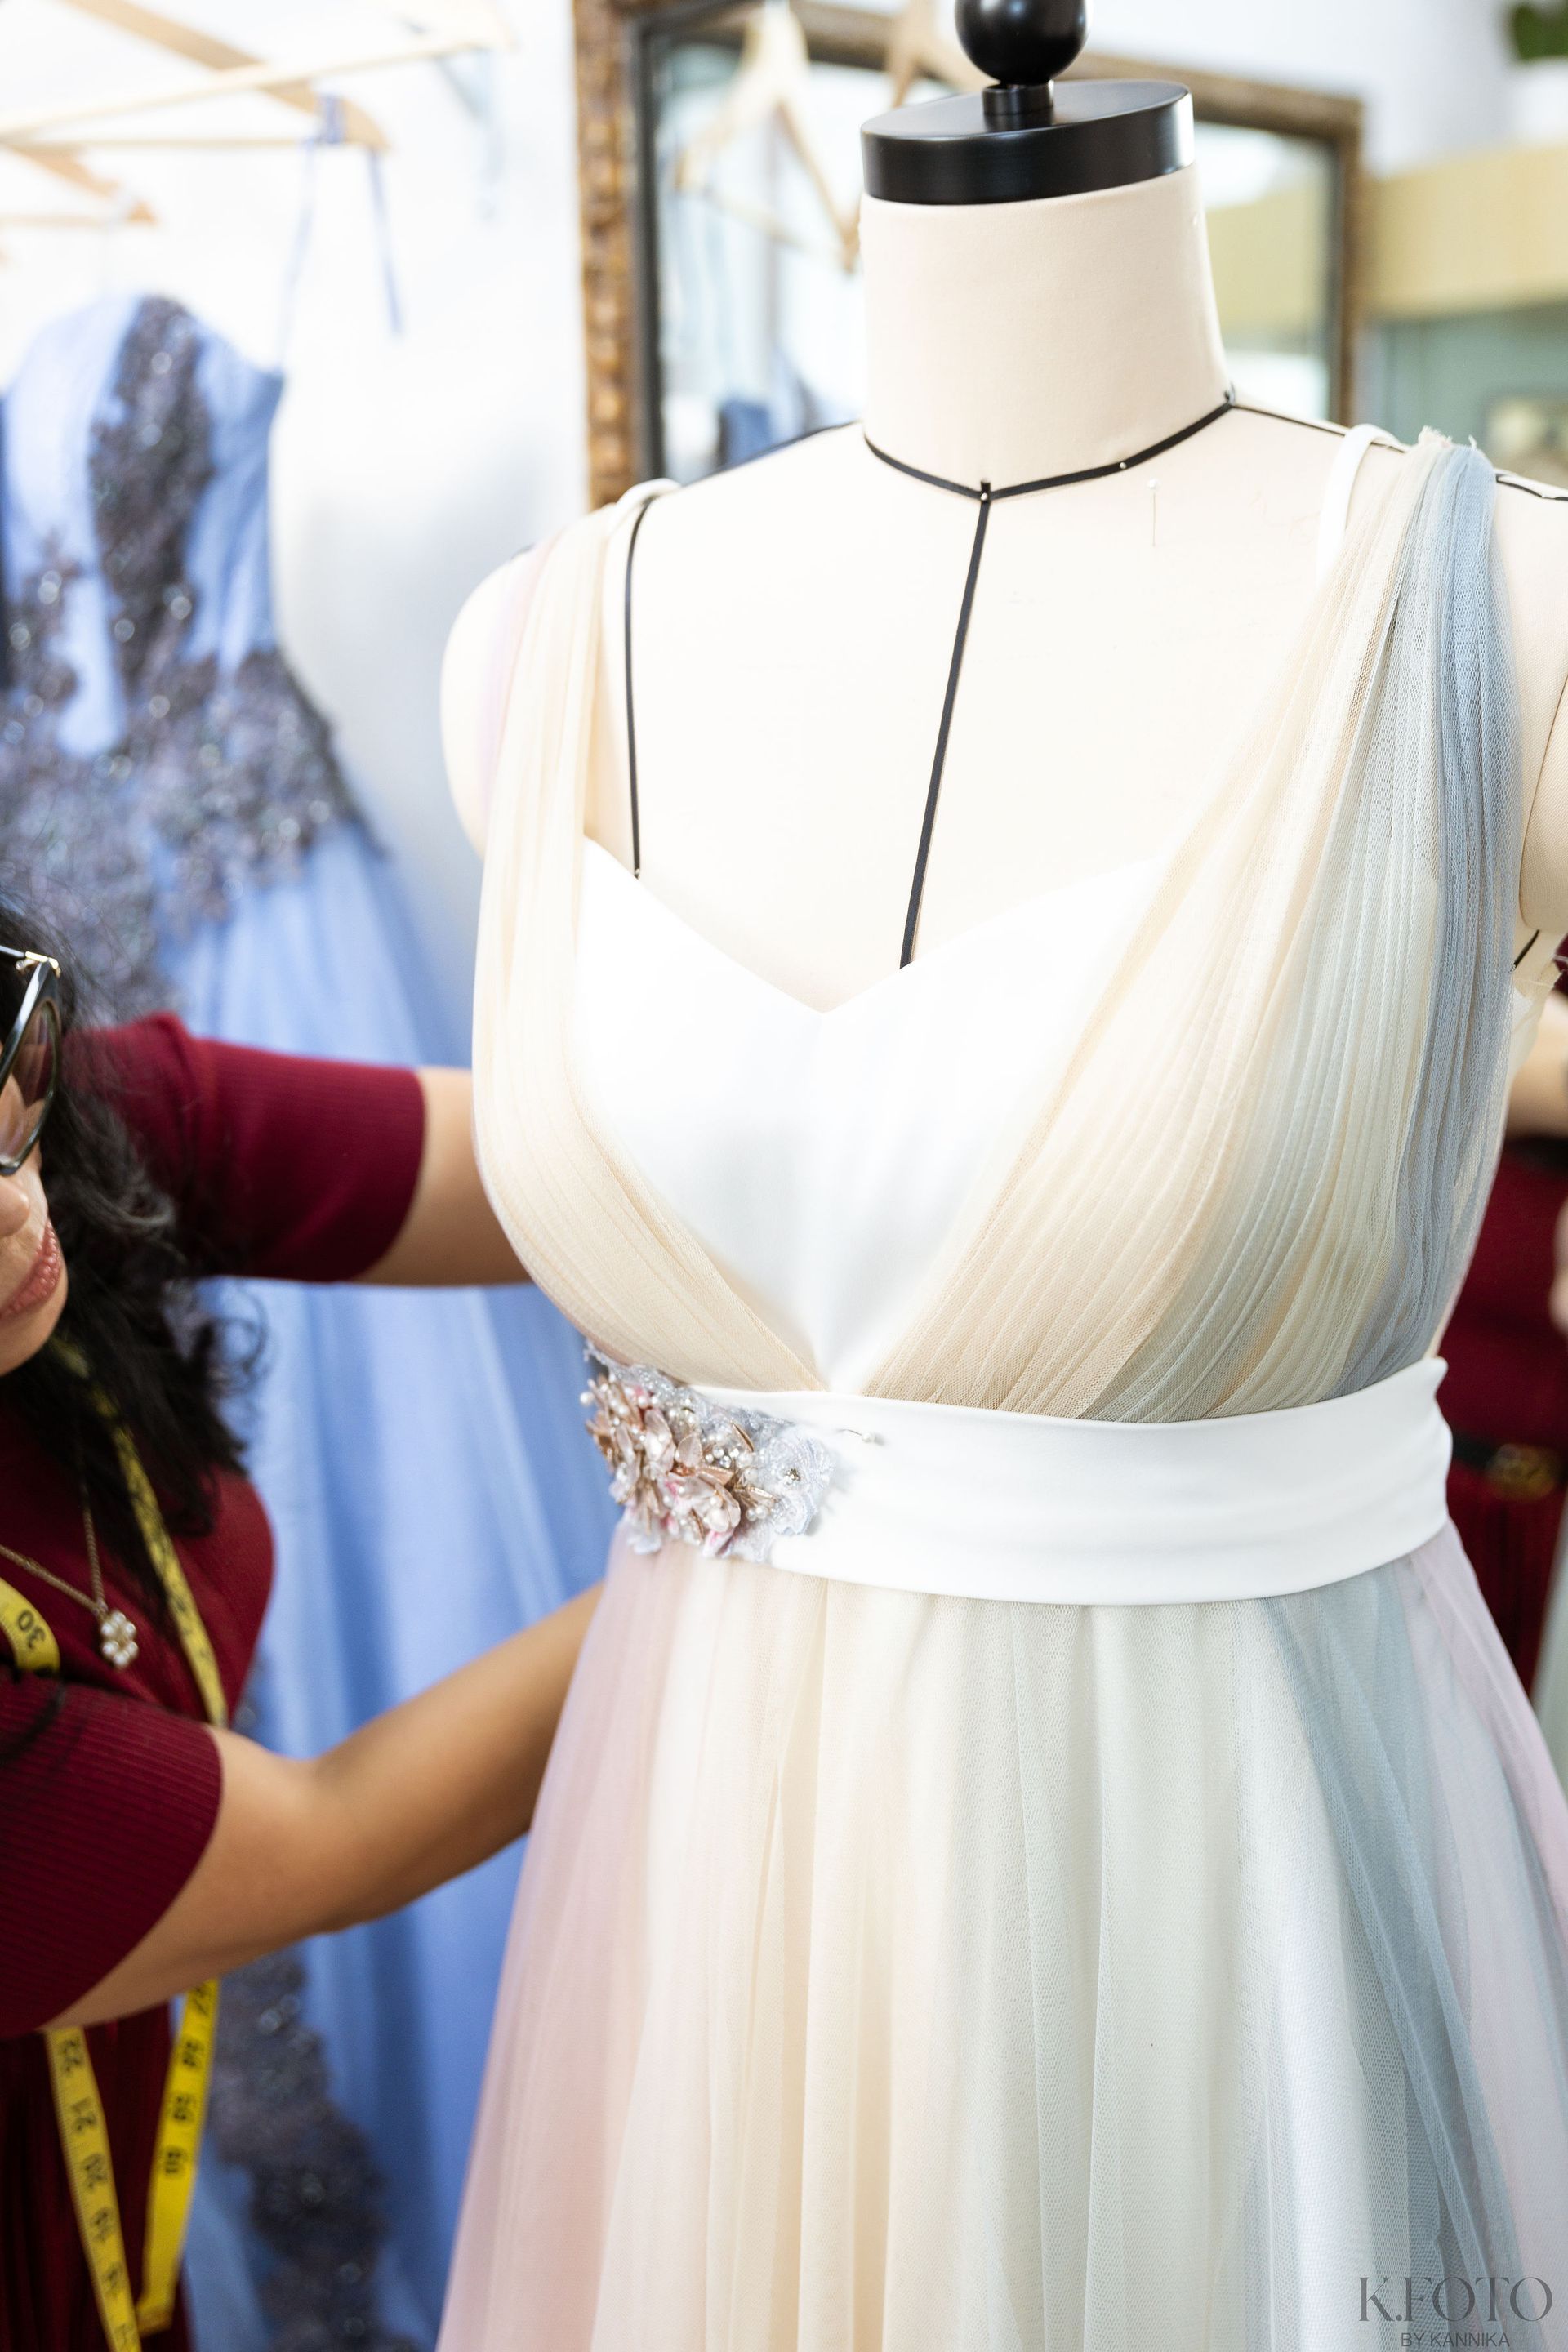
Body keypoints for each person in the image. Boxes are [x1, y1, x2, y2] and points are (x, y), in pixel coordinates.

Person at [0, 902, 594, 2352]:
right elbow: (336, 1838)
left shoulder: (71, 1126)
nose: (18, 1218)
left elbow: (534, 1174)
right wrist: (759, 1528)